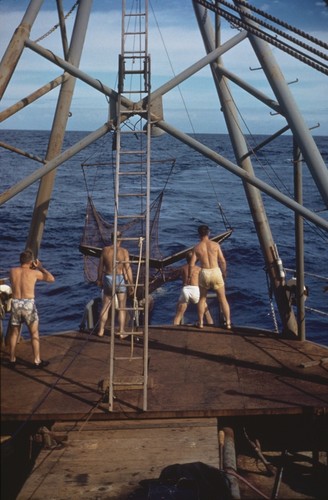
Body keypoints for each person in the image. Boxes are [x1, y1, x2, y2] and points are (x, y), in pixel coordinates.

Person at [8, 249, 55, 368]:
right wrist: (40, 267)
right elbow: (51, 279)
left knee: (14, 333)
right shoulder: (34, 273)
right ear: (31, 262)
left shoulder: (12, 271)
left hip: (16, 303)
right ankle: (37, 360)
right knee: (34, 333)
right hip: (28, 304)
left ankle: (12, 359)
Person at [189, 225, 231, 330]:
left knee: (202, 299)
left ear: (199, 235)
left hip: (204, 273)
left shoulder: (197, 247)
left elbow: (191, 264)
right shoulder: (215, 245)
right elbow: (222, 260)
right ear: (208, 233)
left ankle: (201, 323)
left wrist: (190, 276)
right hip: (216, 271)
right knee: (223, 299)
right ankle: (228, 323)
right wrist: (224, 272)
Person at [97, 231, 133, 337]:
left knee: (105, 306)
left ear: (111, 238)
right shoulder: (124, 252)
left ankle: (101, 331)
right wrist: (131, 284)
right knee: (122, 307)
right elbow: (128, 269)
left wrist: (99, 279)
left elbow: (100, 267)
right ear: (120, 239)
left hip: (108, 278)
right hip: (120, 279)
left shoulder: (105, 250)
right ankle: (121, 332)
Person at [173, 251, 213, 326]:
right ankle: (211, 326)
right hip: (195, 290)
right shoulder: (198, 269)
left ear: (186, 259)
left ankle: (175, 329)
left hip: (185, 290)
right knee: (206, 311)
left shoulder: (182, 268)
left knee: (179, 313)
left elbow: (176, 275)